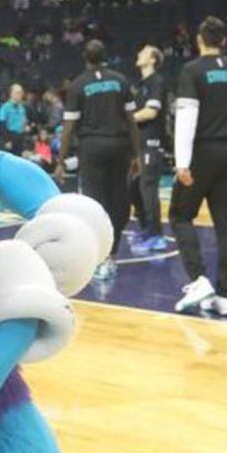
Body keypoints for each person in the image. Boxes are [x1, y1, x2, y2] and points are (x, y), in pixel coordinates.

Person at [170, 17, 227, 316]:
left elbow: (186, 117)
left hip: (203, 152)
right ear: (224, 41)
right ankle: (226, 296)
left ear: (199, 40)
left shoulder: (192, 71)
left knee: (180, 215)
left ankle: (199, 279)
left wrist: (182, 163)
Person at [56, 40, 141, 279]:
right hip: (119, 145)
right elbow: (131, 122)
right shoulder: (121, 80)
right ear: (105, 56)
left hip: (92, 147)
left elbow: (69, 127)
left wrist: (61, 161)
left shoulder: (78, 84)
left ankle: (100, 257)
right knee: (119, 200)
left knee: (95, 203)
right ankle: (111, 253)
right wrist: (137, 154)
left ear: (85, 57)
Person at [129, 45, 168, 251]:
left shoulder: (156, 82)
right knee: (134, 186)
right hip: (139, 144)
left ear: (153, 59)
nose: (138, 54)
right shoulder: (142, 84)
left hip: (152, 143)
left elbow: (151, 112)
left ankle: (156, 235)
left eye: (143, 52)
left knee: (148, 187)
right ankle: (146, 228)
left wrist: (125, 120)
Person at [0, 83, 28, 151]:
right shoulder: (5, 107)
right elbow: (2, 125)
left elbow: (23, 121)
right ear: (11, 93)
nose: (19, 95)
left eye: (21, 93)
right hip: (10, 137)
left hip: (20, 137)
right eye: (17, 92)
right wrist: (6, 140)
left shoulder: (22, 108)